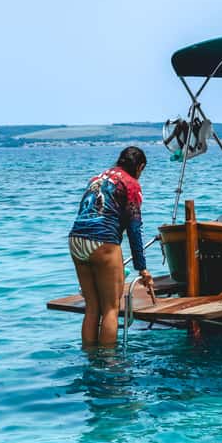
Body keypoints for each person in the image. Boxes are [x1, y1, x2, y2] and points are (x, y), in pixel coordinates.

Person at [69, 146, 153, 347]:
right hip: (103, 241)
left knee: (92, 308)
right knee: (110, 309)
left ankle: (90, 359)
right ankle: (109, 366)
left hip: (76, 239)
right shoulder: (131, 184)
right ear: (140, 167)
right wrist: (142, 268)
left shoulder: (97, 178)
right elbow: (134, 229)